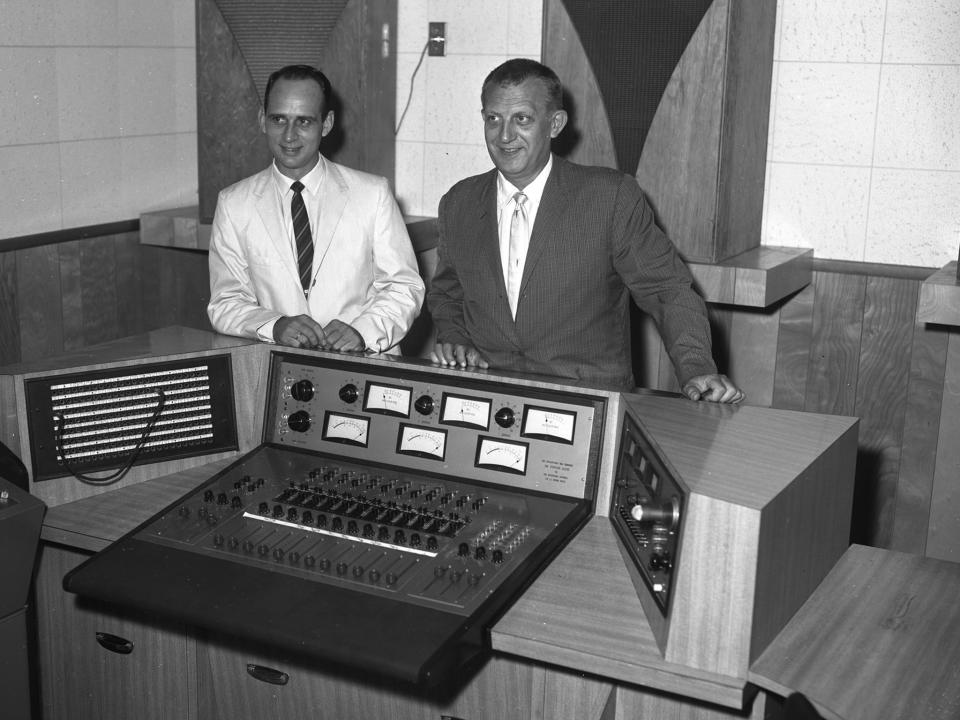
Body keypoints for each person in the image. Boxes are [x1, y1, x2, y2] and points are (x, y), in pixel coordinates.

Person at [427, 58, 743, 403]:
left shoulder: (609, 197)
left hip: (586, 403)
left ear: (555, 124)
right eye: (493, 119)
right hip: (486, 400)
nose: (504, 136)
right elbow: (448, 293)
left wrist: (696, 367)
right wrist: (455, 337)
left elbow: (666, 289)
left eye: (522, 119)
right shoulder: (458, 202)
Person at [208, 64, 424, 353]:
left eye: (304, 122)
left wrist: (362, 332)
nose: (289, 135)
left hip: (362, 364)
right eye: (278, 119)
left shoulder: (372, 194)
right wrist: (275, 325)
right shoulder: (234, 203)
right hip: (277, 366)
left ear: (327, 123)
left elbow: (404, 288)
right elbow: (225, 302)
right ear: (262, 120)